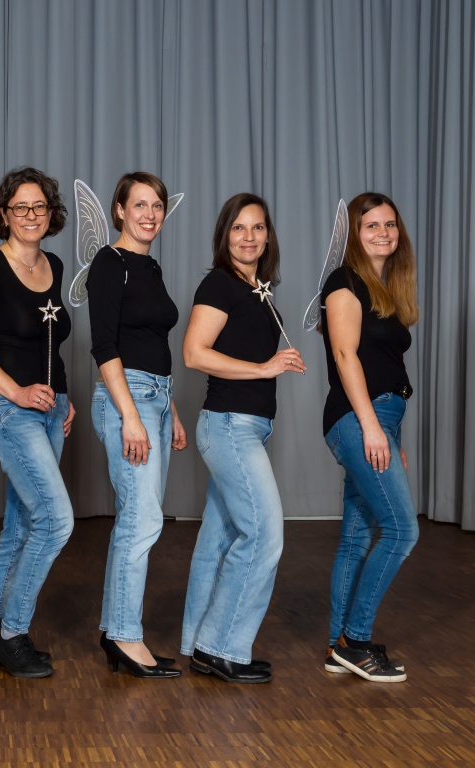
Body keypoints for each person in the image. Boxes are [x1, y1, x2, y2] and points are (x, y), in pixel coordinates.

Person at [180, 193, 305, 683]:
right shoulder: (220, 283)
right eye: (238, 228)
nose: (248, 237)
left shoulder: (258, 289)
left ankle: (198, 643)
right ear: (224, 235)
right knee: (264, 535)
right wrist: (264, 367)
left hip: (246, 425)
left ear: (268, 236)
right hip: (230, 425)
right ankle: (221, 647)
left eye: (257, 228)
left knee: (219, 539)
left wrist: (275, 363)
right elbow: (194, 353)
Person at [0, 167, 74, 679]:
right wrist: (18, 392)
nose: (30, 215)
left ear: (51, 213)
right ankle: (12, 634)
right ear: (4, 214)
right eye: (20, 207)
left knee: (22, 525)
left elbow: (48, 343)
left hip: (50, 408)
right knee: (55, 519)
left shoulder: (54, 265)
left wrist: (62, 396)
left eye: (39, 206)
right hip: (8, 408)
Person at [87, 172, 186, 679]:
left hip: (155, 398)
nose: (150, 214)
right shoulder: (110, 263)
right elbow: (105, 347)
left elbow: (154, 344)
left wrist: (172, 410)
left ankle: (115, 630)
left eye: (157, 206)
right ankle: (127, 637)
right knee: (143, 520)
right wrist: (130, 415)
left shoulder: (149, 267)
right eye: (140, 205)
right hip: (127, 398)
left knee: (137, 517)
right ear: (120, 211)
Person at [321, 192, 418, 683]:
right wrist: (372, 427)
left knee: (357, 537)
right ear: (355, 235)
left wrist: (389, 432)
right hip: (361, 417)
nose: (383, 233)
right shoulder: (345, 283)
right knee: (402, 530)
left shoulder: (384, 289)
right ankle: (355, 641)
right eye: (371, 225)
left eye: (390, 224)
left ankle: (338, 646)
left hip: (380, 418)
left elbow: (383, 363)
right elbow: (345, 357)